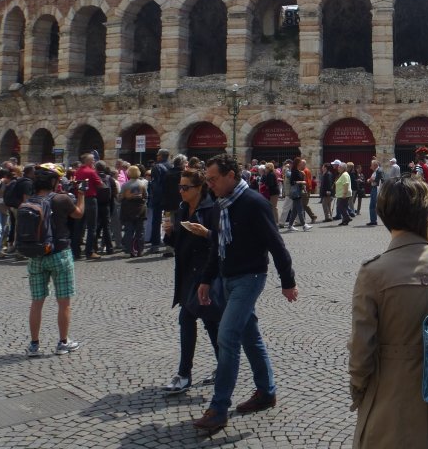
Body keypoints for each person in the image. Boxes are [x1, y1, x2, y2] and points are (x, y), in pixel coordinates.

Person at [349, 175, 428, 448]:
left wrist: (359, 388)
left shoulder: (373, 272)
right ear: (427, 213)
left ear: (384, 215)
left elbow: (362, 347)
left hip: (393, 392)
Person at [192, 154, 298, 435]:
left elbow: (276, 244)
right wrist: (206, 279)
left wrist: (288, 281)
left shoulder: (254, 203)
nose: (210, 185)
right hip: (227, 279)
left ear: (230, 175)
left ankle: (219, 408)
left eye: (213, 180)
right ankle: (266, 391)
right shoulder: (219, 206)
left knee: (227, 336)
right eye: (207, 180)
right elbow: (216, 246)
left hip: (250, 278)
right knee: (250, 335)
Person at [161, 168, 221, 394]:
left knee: (201, 320)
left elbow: (222, 241)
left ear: (199, 188)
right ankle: (195, 370)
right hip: (187, 273)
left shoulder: (212, 209)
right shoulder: (182, 208)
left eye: (186, 188)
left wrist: (205, 233)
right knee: (202, 321)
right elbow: (179, 244)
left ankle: (185, 373)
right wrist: (169, 234)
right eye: (180, 187)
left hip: (206, 273)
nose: (181, 191)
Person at [25, 165, 85, 357]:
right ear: (54, 181)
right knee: (64, 301)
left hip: (36, 255)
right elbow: (78, 214)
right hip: (59, 252)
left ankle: (34, 345)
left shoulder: (30, 200)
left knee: (37, 301)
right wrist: (82, 195)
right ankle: (63, 342)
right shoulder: (61, 199)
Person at [119, 166, 148, 258]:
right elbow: (146, 196)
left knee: (129, 231)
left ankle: (130, 250)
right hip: (140, 209)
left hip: (128, 210)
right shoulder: (143, 184)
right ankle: (140, 250)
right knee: (140, 231)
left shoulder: (125, 185)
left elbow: (121, 197)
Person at [367, 159, 382, 226]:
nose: (370, 166)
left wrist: (371, 180)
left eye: (371, 165)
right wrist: (371, 180)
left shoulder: (379, 171)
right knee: (373, 205)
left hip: (376, 189)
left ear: (375, 165)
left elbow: (379, 180)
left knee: (372, 205)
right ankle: (373, 220)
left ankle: (373, 221)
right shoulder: (376, 171)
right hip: (374, 189)